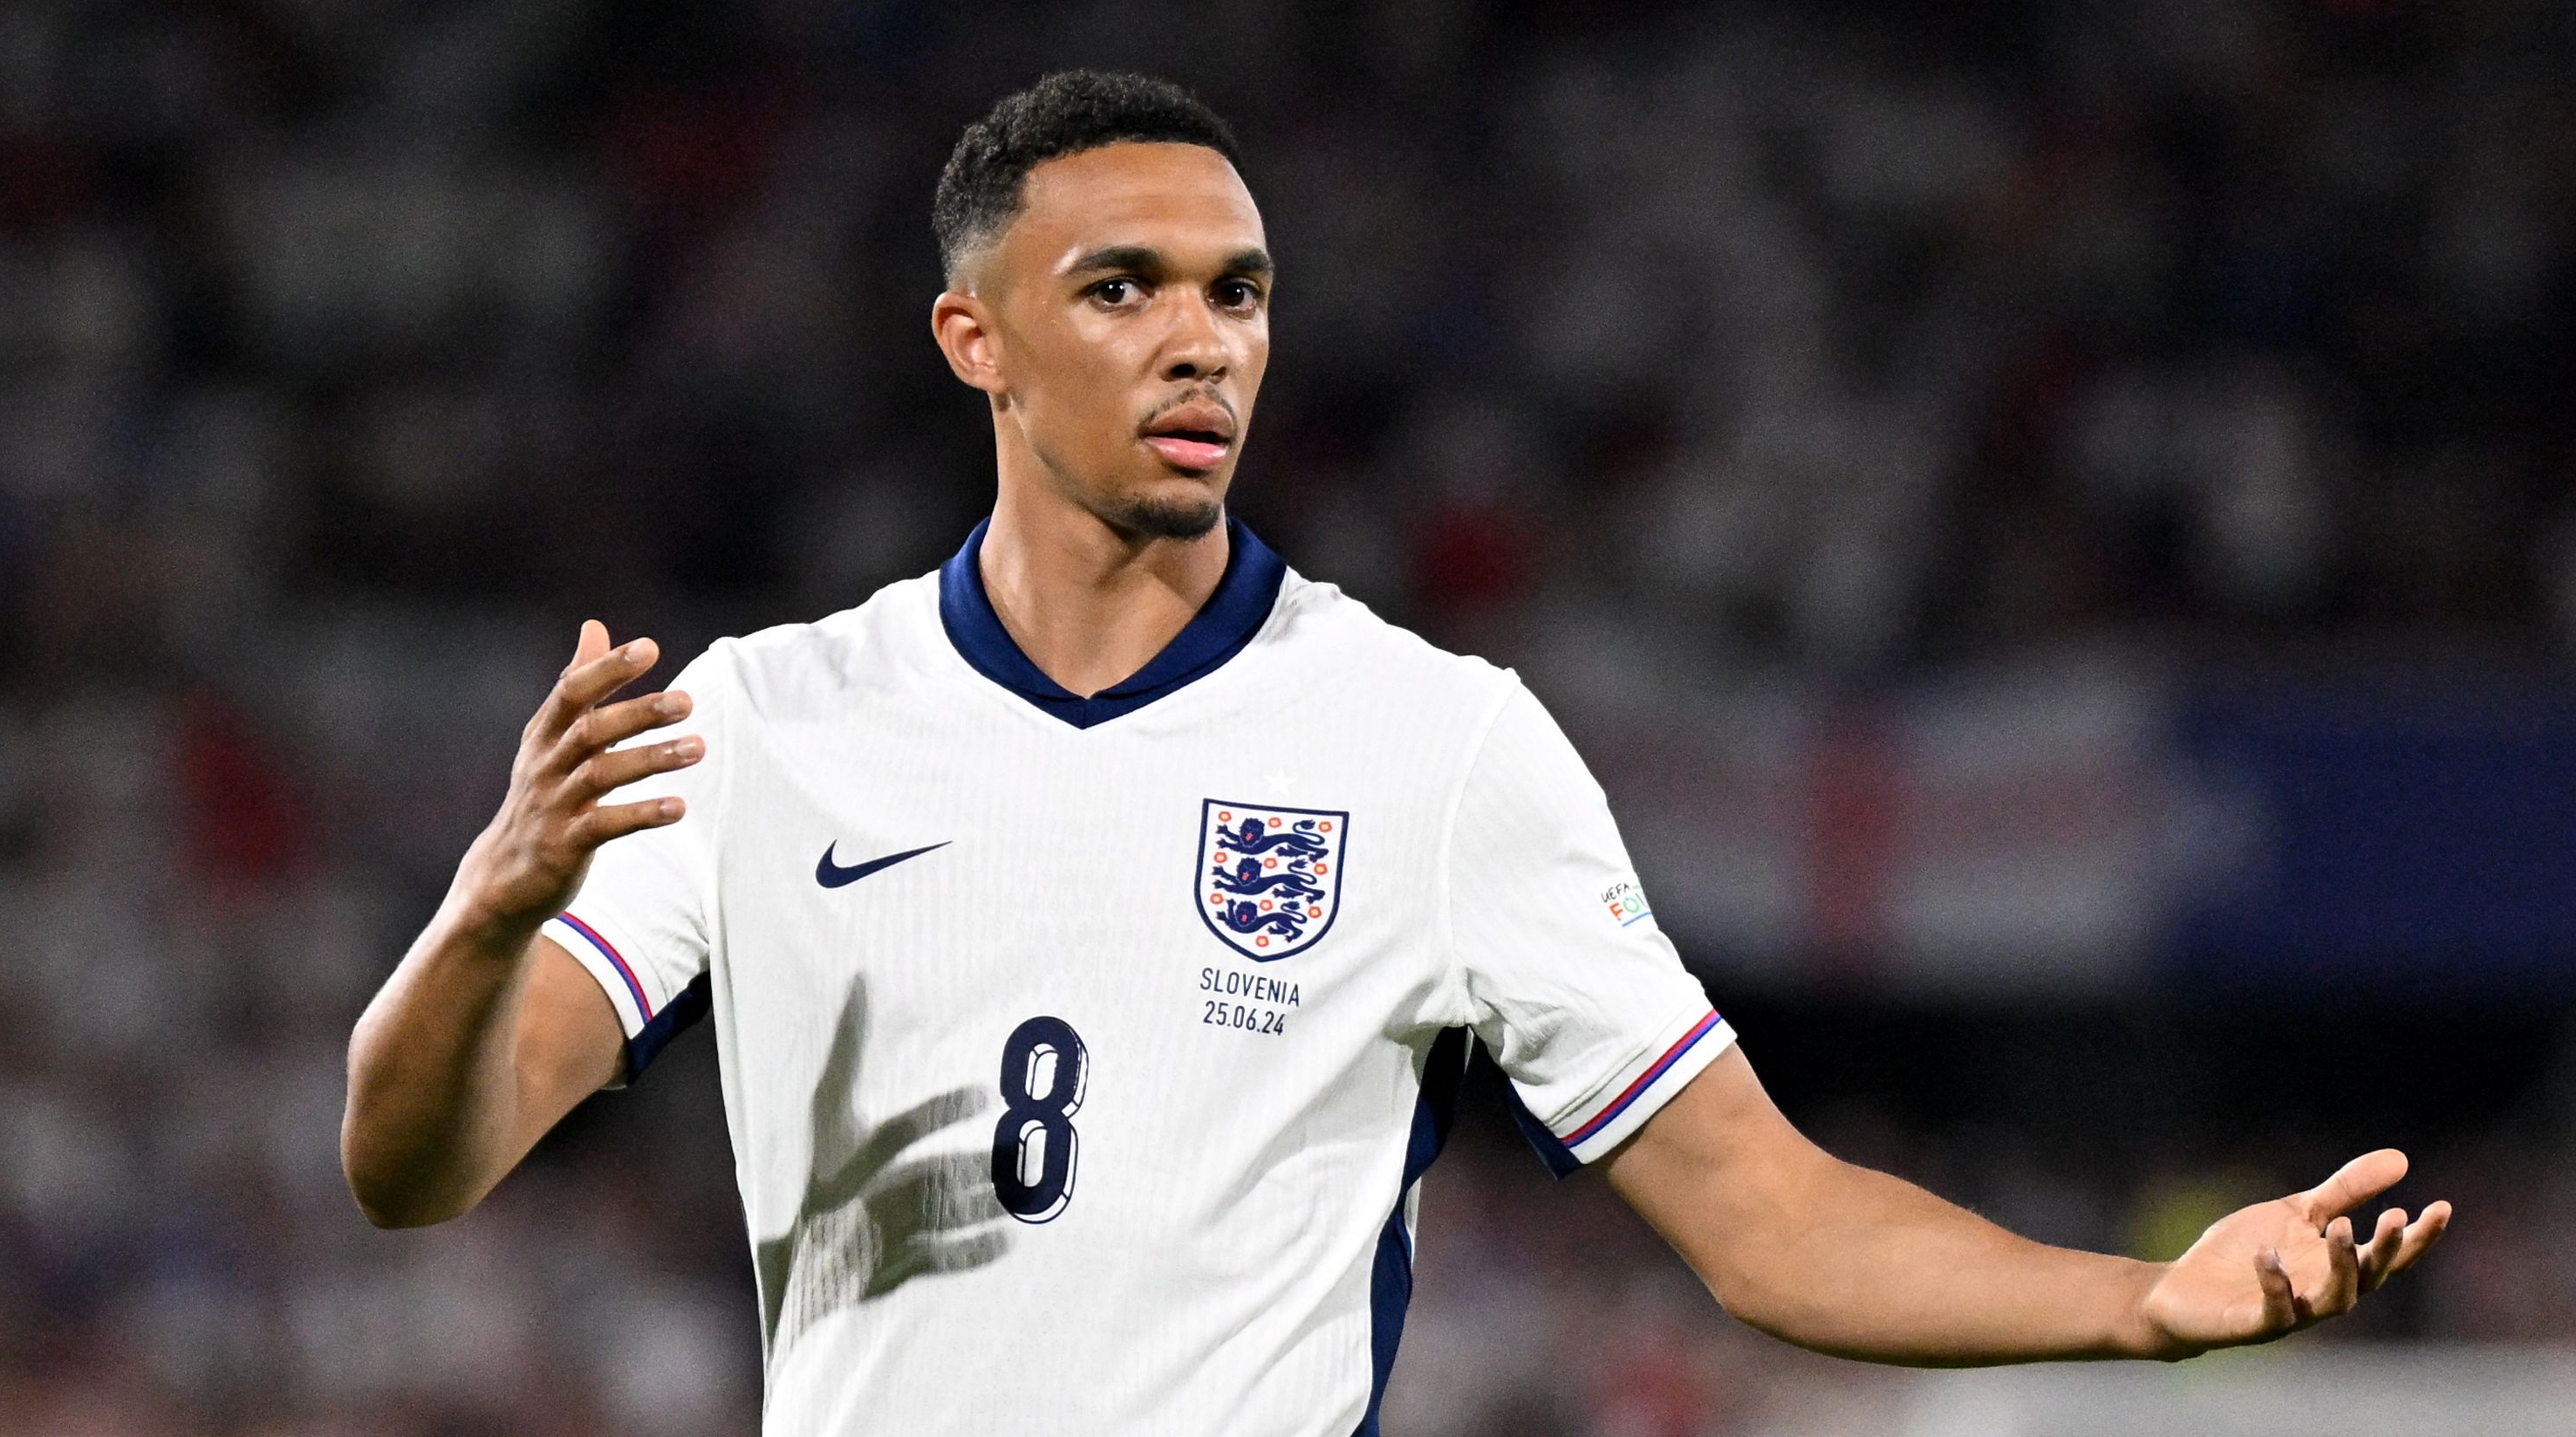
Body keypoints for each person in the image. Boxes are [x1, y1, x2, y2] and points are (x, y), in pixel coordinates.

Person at [340, 71, 2449, 1434]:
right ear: (972, 343)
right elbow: (411, 1170)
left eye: (1240, 293)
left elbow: (1769, 1224)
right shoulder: (761, 722)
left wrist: (2140, 1308)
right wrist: (479, 917)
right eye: (1125, 288)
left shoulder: (1439, 749)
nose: (1201, 339)